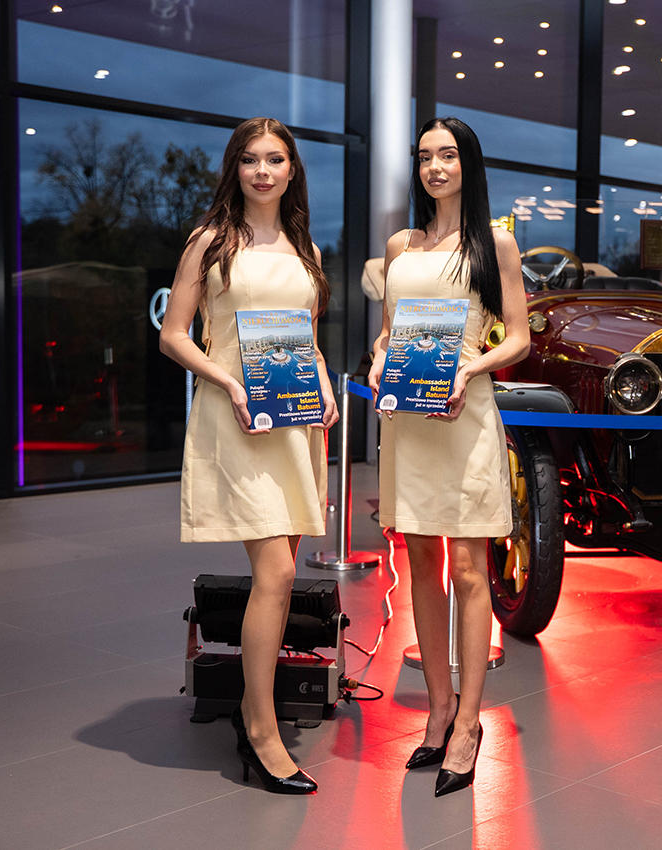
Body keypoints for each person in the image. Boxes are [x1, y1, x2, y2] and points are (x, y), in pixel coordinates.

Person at [159, 117, 338, 795]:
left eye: (275, 160)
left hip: (295, 420)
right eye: (250, 160)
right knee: (278, 573)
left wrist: (324, 384)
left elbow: (307, 337)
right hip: (236, 416)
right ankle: (261, 731)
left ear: (292, 170)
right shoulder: (210, 241)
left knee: (280, 577)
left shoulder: (305, 246)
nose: (263, 172)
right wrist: (228, 381)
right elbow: (174, 335)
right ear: (235, 169)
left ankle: (251, 708)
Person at [368, 117, 529, 797]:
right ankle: (437, 710)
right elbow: (388, 334)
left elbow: (518, 338)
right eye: (426, 156)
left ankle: (468, 723)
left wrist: (470, 369)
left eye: (448, 155)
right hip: (409, 418)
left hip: (464, 412)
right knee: (419, 562)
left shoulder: (495, 243)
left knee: (467, 567)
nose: (435, 167)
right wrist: (378, 361)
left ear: (469, 164)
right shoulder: (400, 246)